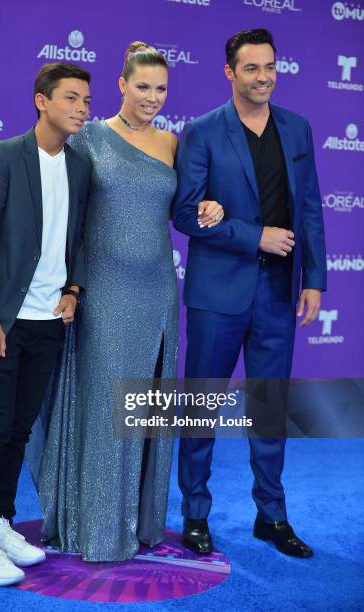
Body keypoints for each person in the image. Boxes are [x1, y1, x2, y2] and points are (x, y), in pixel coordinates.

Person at [29, 42, 223, 562]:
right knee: (106, 404)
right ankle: (95, 526)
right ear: (121, 85)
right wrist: (67, 285)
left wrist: (206, 204)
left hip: (159, 288)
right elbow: (61, 207)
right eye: (143, 87)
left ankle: (140, 524)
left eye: (161, 89)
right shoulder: (88, 136)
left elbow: (184, 210)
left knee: (145, 406)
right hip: (104, 289)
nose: (152, 98)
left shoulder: (174, 144)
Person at [173, 29, 326, 558]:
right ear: (230, 73)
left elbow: (310, 208)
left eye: (270, 67)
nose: (263, 77)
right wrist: (251, 234)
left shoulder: (298, 128)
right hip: (218, 291)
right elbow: (186, 212)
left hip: (280, 291)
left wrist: (314, 278)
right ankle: (195, 514)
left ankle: (272, 515)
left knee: (269, 406)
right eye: (251, 69)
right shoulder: (203, 131)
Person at [0, 62, 92, 585]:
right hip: (1, 322)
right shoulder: (5, 155)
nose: (82, 108)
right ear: (42, 101)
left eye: (87, 100)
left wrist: (74, 290)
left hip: (49, 323)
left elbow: (76, 238)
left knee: (17, 430)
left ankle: (0, 523)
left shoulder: (79, 166)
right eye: (72, 98)